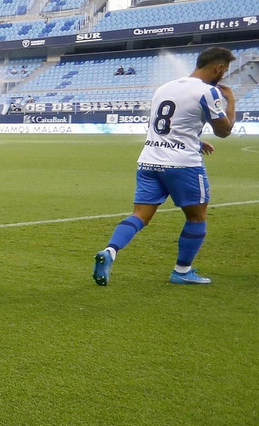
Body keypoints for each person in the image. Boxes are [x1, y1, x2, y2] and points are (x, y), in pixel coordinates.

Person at [93, 47, 235, 287]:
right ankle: (182, 271)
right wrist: (231, 100)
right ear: (218, 68)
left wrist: (196, 140)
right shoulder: (209, 92)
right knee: (197, 217)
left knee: (140, 215)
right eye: (225, 70)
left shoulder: (164, 88)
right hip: (183, 165)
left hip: (149, 160)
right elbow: (224, 131)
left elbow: (163, 126)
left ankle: (110, 251)